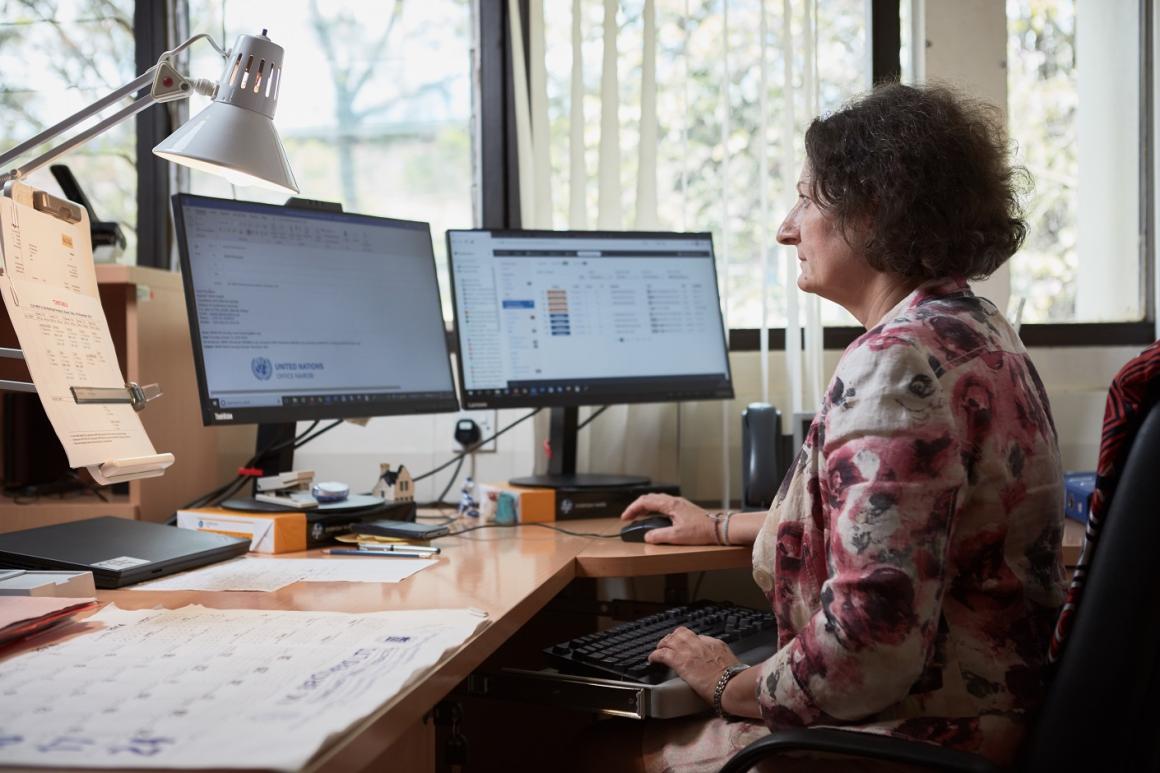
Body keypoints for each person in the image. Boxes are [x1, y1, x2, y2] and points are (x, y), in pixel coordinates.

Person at [617, 83, 1066, 772]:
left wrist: (725, 681)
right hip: (996, 715)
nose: (786, 227)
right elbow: (898, 519)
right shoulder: (977, 329)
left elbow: (868, 640)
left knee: (614, 745)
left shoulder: (896, 364)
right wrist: (720, 526)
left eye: (808, 197)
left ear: (874, 207)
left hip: (924, 738)